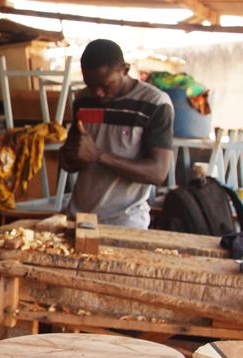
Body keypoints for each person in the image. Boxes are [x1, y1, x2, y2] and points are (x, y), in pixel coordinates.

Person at [59, 39, 174, 228]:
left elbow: (157, 172)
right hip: (80, 218)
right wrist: (69, 156)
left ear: (125, 70)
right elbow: (74, 157)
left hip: (126, 222)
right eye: (90, 84)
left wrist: (99, 156)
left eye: (105, 85)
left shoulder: (155, 103)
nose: (98, 93)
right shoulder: (83, 99)